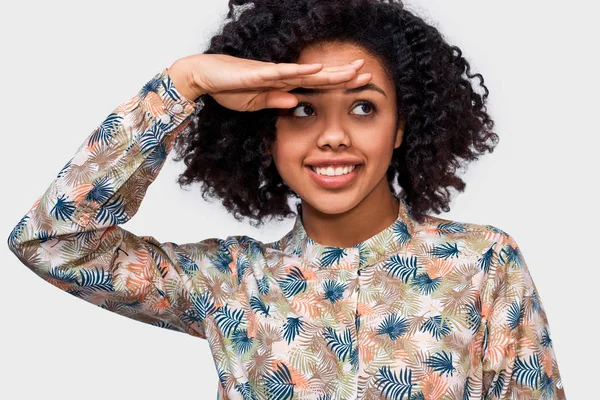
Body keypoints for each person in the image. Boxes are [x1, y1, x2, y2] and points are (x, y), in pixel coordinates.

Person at [7, 0, 565, 398]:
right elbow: (51, 241)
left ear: (402, 128)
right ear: (267, 134)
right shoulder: (230, 283)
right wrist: (184, 83)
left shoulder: (481, 265)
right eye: (302, 109)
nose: (333, 135)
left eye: (364, 107)